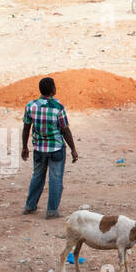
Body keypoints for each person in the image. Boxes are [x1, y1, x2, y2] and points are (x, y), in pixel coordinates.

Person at [21, 77, 78, 219]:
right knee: (56, 179)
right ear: (53, 89)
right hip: (56, 149)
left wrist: (24, 147)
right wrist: (73, 149)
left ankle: (30, 206)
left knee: (37, 177)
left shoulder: (31, 106)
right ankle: (52, 211)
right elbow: (65, 130)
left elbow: (26, 128)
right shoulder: (58, 107)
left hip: (39, 148)